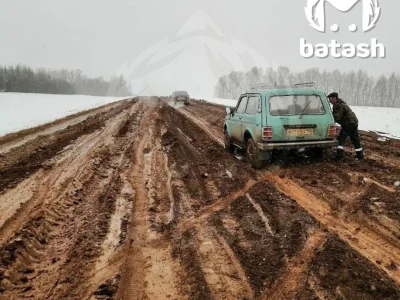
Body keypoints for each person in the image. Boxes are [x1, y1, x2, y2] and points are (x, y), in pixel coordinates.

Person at [327, 92, 364, 160]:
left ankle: (339, 157)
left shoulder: (338, 105)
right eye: (329, 99)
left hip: (348, 123)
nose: (330, 100)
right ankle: (360, 157)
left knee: (340, 139)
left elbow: (337, 117)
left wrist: (327, 120)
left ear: (335, 98)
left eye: (331, 98)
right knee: (355, 140)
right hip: (354, 122)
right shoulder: (340, 103)